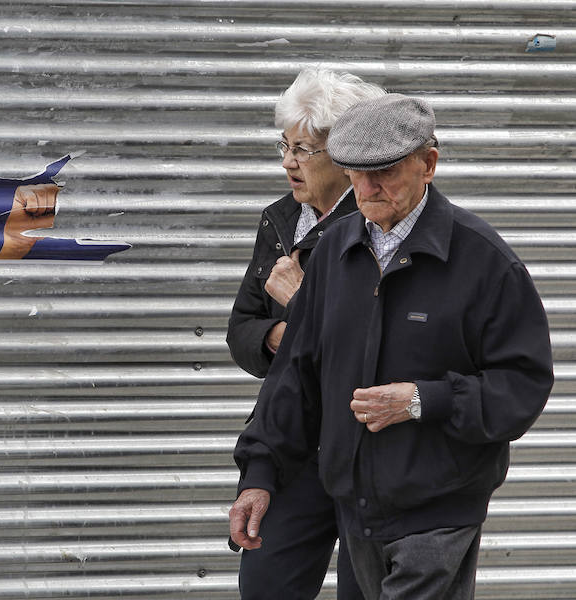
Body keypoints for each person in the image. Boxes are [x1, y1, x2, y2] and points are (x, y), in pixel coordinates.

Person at [230, 93, 554, 599]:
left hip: (438, 512)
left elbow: (522, 385)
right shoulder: (336, 251)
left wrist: (425, 400)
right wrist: (259, 473)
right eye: (356, 171)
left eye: (385, 171)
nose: (367, 186)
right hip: (356, 507)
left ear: (429, 165)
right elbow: (295, 373)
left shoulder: (484, 261)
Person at [227, 68, 385, 600]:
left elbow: (384, 342)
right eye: (285, 145)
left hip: (367, 445)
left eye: (304, 149)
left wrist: (302, 307)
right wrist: (285, 335)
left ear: (345, 157)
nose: (288, 162)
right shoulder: (279, 220)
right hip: (293, 439)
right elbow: (243, 329)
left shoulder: (380, 225)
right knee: (267, 584)